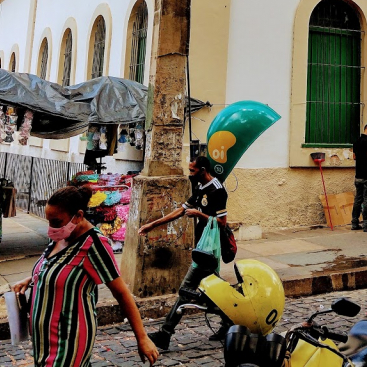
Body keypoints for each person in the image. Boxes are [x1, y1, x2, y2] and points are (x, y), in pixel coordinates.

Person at [12, 183, 157, 367]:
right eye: (48, 221)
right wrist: (34, 278)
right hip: (43, 341)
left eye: (56, 222)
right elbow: (58, 267)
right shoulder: (61, 236)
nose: (51, 228)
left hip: (69, 340)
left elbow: (121, 293)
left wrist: (142, 338)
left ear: (79, 216)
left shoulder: (94, 244)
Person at [138, 155, 229, 351]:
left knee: (186, 289)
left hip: (210, 248)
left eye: (193, 170)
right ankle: (230, 322)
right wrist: (152, 225)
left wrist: (200, 215)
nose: (190, 174)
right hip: (201, 247)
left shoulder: (217, 190)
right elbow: (181, 210)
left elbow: (222, 222)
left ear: (203, 170)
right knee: (214, 291)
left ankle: (165, 333)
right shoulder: (199, 187)